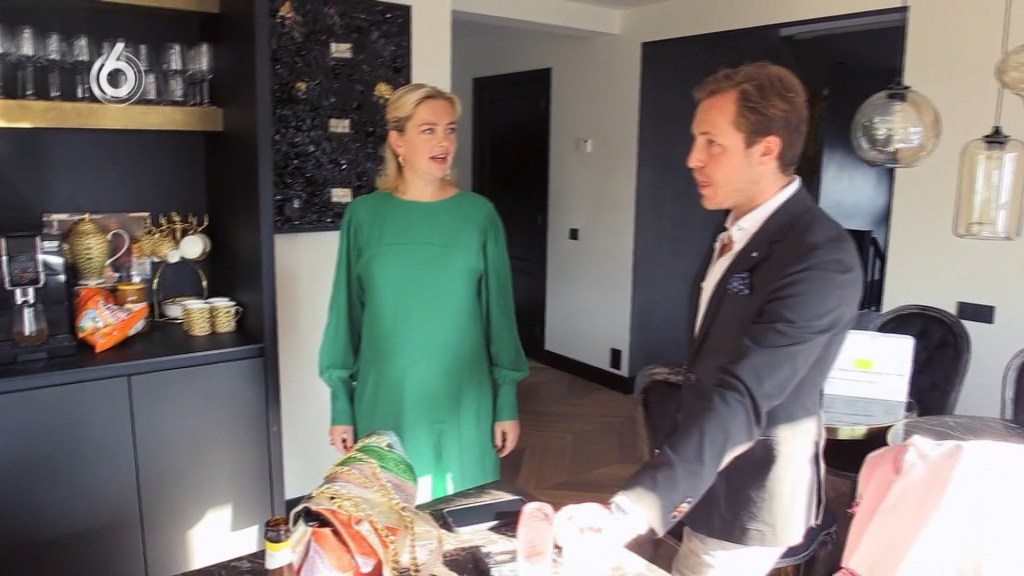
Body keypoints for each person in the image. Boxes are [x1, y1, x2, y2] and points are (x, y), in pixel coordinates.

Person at [556, 62, 863, 576]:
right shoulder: (737, 229)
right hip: (701, 470)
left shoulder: (819, 256)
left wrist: (633, 509)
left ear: (766, 149)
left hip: (751, 489)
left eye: (711, 143)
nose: (692, 158)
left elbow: (743, 396)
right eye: (696, 139)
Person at [318, 83, 529, 502]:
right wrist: (341, 402)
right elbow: (346, 314)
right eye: (428, 130)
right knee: (389, 514)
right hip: (387, 398)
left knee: (461, 518)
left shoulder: (478, 216)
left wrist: (505, 400)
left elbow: (499, 315)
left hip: (462, 400)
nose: (444, 142)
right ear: (398, 141)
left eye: (450, 130)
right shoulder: (364, 217)